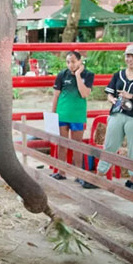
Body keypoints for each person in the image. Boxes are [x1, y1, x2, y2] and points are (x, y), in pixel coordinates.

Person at [84, 44, 133, 190]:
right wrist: (112, 99)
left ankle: (132, 180)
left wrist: (131, 96)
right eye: (127, 56)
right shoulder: (118, 75)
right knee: (109, 145)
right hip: (117, 113)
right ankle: (99, 177)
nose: (129, 59)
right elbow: (109, 93)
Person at [50, 51, 94, 183]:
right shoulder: (62, 74)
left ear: (80, 61)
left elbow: (84, 94)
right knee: (62, 144)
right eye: (68, 62)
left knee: (77, 145)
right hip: (62, 113)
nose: (71, 65)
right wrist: (53, 114)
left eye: (74, 61)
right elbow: (56, 95)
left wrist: (78, 75)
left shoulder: (88, 75)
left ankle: (78, 174)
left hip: (77, 115)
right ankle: (61, 172)